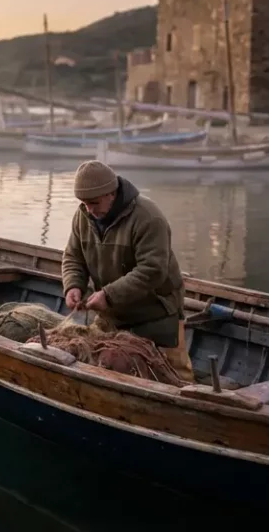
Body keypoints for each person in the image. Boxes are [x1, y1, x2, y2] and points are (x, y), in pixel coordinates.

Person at [60, 160, 195, 382]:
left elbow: (152, 270)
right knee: (103, 367)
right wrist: (73, 285)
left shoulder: (148, 217)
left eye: (94, 203)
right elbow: (73, 256)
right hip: (112, 313)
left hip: (157, 313)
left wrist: (108, 295)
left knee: (176, 375)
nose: (89, 210)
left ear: (111, 194)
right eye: (84, 203)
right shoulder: (83, 215)